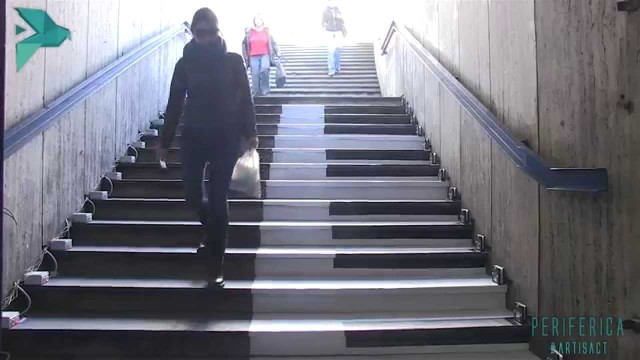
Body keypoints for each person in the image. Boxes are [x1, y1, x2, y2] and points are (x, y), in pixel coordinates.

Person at [157, 8, 258, 288]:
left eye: (211, 32)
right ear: (193, 33)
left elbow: (245, 99)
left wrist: (251, 133)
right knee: (191, 194)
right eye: (201, 33)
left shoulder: (233, 61)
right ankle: (211, 229)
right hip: (194, 138)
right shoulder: (185, 64)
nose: (206, 38)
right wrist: (164, 142)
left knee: (217, 199)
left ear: (218, 31)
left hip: (225, 138)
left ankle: (216, 266)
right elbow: (174, 104)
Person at [242, 14, 281, 96]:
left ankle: (265, 90)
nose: (258, 21)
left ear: (262, 21)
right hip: (253, 55)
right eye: (257, 19)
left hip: (265, 54)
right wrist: (245, 56)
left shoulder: (267, 32)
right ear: (254, 21)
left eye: (260, 19)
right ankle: (256, 91)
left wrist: (278, 51)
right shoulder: (249, 32)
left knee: (264, 69)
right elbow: (244, 45)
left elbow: (273, 43)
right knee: (255, 73)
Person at [322, 0, 347, 77]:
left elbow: (343, 21)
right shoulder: (325, 11)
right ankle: (331, 70)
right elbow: (323, 22)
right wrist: (323, 29)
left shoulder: (338, 9)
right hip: (330, 33)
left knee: (338, 50)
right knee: (330, 51)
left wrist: (339, 17)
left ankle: (337, 67)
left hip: (339, 32)